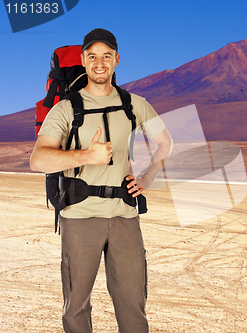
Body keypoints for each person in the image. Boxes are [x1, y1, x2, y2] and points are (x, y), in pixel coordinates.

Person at [30, 28, 172, 333]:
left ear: (117, 60)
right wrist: (85, 156)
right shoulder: (66, 109)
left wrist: (147, 176)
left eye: (106, 56)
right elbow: (38, 159)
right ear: (82, 60)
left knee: (133, 304)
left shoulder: (135, 104)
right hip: (80, 217)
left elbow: (165, 142)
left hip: (124, 217)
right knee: (77, 305)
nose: (99, 62)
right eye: (92, 56)